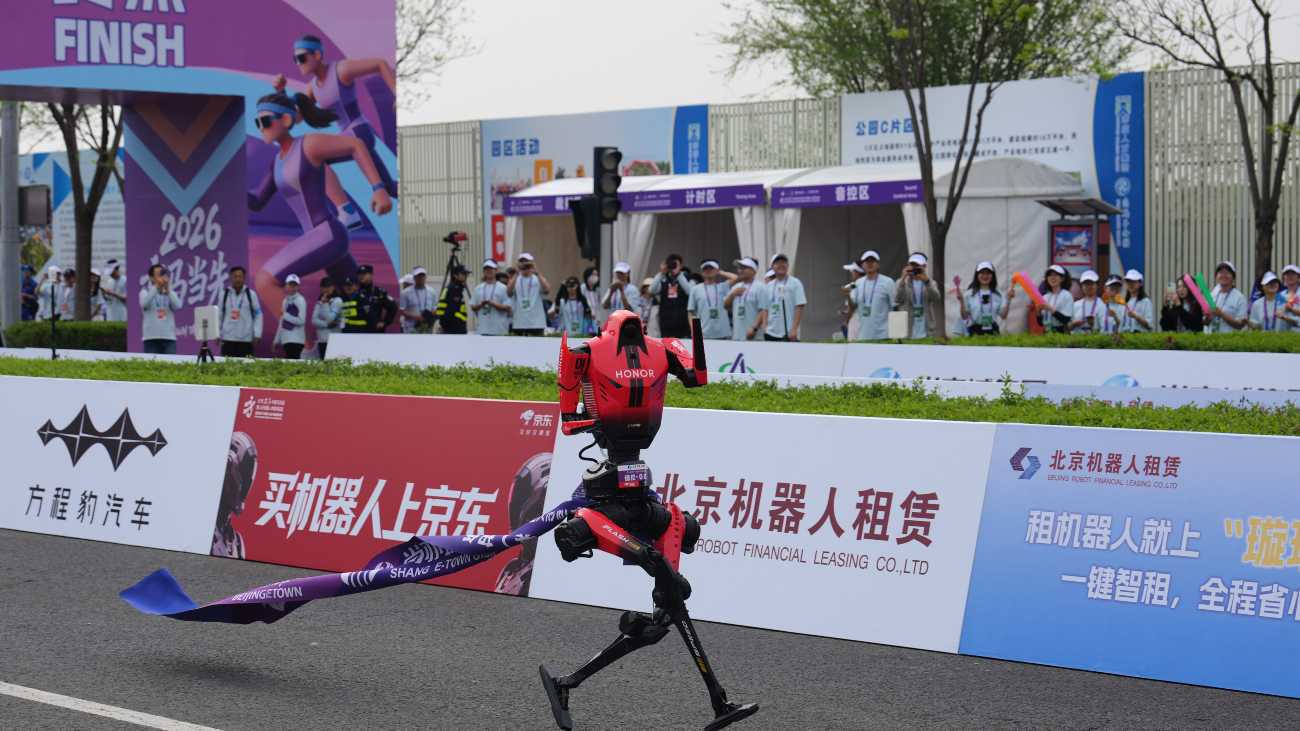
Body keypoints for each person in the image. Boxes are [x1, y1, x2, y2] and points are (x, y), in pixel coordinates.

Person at [247, 91, 394, 316]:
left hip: (327, 234)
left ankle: (303, 346)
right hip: (321, 239)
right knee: (359, 306)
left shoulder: (308, 145)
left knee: (265, 281)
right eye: (257, 122)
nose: (260, 127)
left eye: (265, 121)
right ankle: (375, 330)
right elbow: (256, 201)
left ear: (285, 120)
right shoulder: (276, 162)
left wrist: (379, 188)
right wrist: (226, 182)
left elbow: (356, 145)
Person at [275, 34, 398, 200]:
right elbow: (295, 119)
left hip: (359, 131)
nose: (298, 63)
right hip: (350, 135)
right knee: (390, 187)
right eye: (294, 59)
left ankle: (343, 208)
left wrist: (396, 94)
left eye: (301, 58)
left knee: (315, 157)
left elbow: (379, 63)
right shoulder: (312, 88)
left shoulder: (341, 70)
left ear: (317, 55)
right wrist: (281, 92)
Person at [755, 253, 806, 341]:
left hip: (788, 333)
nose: (781, 265)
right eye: (777, 263)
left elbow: (800, 307)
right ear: (772, 266)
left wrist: (794, 329)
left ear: (788, 265)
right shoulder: (769, 286)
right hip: (770, 333)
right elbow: (765, 308)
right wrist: (765, 326)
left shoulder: (796, 283)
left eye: (784, 262)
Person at [892, 252, 941, 339]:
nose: (914, 268)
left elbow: (936, 299)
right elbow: (897, 299)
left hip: (926, 331)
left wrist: (927, 282)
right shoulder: (901, 282)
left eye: (917, 265)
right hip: (908, 331)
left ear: (924, 266)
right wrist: (903, 279)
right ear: (908, 265)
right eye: (912, 265)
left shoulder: (931, 283)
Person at [219, 266, 264, 357]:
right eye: (235, 276)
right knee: (227, 368)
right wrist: (217, 333)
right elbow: (219, 315)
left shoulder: (251, 294)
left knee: (246, 368)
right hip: (228, 339)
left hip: (246, 339)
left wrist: (257, 333)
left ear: (244, 278)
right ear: (231, 277)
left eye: (240, 276)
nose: (238, 279)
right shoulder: (224, 294)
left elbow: (258, 314)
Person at [139, 263, 182, 354]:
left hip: (169, 337)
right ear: (151, 278)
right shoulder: (145, 292)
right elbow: (144, 304)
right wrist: (156, 287)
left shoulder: (170, 293)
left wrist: (168, 291)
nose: (162, 277)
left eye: (163, 274)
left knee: (171, 365)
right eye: (158, 275)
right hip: (151, 337)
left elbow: (177, 306)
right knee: (152, 366)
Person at [958, 261, 1010, 336]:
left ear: (992, 275)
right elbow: (964, 316)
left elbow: (1003, 316)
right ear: (977, 275)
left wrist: (1009, 299)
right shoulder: (969, 294)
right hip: (974, 331)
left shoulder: (998, 294)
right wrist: (961, 301)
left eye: (988, 273)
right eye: (982, 273)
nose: (985, 276)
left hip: (993, 331)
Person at [687, 259, 735, 340]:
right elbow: (691, 312)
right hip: (703, 333)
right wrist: (694, 331)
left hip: (723, 333)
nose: (708, 271)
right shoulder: (695, 289)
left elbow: (735, 278)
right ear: (702, 272)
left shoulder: (723, 286)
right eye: (705, 269)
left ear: (717, 270)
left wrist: (721, 272)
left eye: (711, 268)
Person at [649, 253, 694, 338]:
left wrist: (678, 275)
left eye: (676, 264)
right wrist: (661, 273)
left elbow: (690, 292)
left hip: (683, 322)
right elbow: (652, 290)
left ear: (681, 266)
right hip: (666, 323)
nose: (673, 266)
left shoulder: (687, 278)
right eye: (671, 264)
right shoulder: (663, 279)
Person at [508, 252, 550, 335]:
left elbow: (547, 290)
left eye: (527, 262)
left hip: (536, 323)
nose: (525, 265)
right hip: (519, 323)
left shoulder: (537, 278)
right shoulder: (516, 279)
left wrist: (537, 272)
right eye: (522, 262)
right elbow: (508, 292)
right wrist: (517, 272)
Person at [724, 257, 764, 341]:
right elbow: (725, 306)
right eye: (739, 268)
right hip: (737, 335)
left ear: (753, 270)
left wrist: (754, 328)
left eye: (744, 268)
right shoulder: (736, 287)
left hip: (754, 337)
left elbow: (763, 310)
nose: (740, 270)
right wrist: (733, 295)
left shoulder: (760, 287)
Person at [351, 263, 398, 333]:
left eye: (364, 274)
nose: (361, 276)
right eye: (359, 274)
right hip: (355, 332)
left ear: (371, 275)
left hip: (374, 332)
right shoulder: (353, 292)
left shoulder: (379, 292)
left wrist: (385, 322)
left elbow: (393, 306)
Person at [471, 259, 512, 336]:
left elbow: (508, 307)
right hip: (482, 330)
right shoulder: (478, 288)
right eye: (486, 269)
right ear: (483, 271)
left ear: (496, 271)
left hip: (499, 330)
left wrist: (493, 304)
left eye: (491, 269)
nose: (488, 271)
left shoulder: (503, 288)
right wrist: (481, 304)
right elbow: (473, 307)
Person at [1207, 260, 1248, 333]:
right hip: (1210, 340)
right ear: (1216, 276)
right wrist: (1207, 316)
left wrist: (1222, 314)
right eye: (1221, 272)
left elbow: (1240, 325)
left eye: (1227, 273)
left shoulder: (1240, 298)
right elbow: (1205, 322)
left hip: (1229, 340)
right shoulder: (1212, 294)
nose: (1223, 275)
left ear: (1233, 277)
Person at [274, 274, 308, 359]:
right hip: (286, 340)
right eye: (290, 284)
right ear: (286, 286)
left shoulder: (300, 300)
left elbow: (301, 321)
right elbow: (281, 322)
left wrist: (285, 315)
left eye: (294, 285)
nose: (292, 287)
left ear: (298, 287)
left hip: (296, 340)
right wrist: (276, 340)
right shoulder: (285, 301)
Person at [311, 276, 344, 358]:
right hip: (322, 340)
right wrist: (326, 325)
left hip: (334, 340)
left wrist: (325, 304)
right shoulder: (319, 302)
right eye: (324, 287)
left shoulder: (338, 301)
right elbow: (313, 320)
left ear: (333, 287)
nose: (326, 289)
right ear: (321, 288)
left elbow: (329, 319)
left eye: (329, 286)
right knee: (323, 366)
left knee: (335, 366)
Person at [1037, 265, 1074, 334]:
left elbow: (1066, 319)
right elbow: (1040, 323)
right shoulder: (1045, 297)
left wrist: (1050, 308)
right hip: (1047, 332)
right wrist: (1038, 311)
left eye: (1055, 275)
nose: (1052, 278)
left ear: (1062, 278)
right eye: (1050, 275)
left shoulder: (1067, 295)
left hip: (1061, 333)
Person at [435, 264, 471, 334]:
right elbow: (450, 310)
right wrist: (444, 326)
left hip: (454, 327)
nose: (465, 276)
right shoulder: (455, 289)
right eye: (463, 273)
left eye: (466, 274)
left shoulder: (453, 287)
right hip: (454, 328)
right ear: (455, 275)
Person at [400, 266, 436, 333]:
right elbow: (401, 310)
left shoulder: (432, 291)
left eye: (423, 276)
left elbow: (434, 308)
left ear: (425, 277)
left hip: (427, 327)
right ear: (414, 278)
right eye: (418, 276)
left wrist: (428, 316)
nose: (421, 278)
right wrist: (415, 317)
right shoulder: (406, 293)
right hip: (411, 327)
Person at [1070, 270, 1105, 334]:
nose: (1089, 286)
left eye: (1091, 284)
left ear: (1097, 285)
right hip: (1076, 341)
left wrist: (1093, 325)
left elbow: (1104, 329)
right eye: (1086, 284)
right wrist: (1073, 324)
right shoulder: (1075, 305)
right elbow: (1067, 328)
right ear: (1082, 286)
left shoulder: (1102, 305)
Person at [1281, 264, 1300, 331]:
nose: (1290, 277)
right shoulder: (1280, 295)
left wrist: (1291, 309)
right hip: (1284, 332)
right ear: (1284, 278)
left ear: (1298, 277)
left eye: (1293, 274)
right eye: (1287, 274)